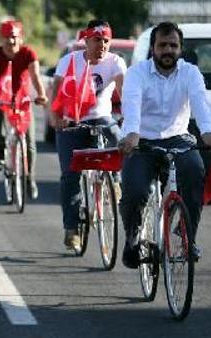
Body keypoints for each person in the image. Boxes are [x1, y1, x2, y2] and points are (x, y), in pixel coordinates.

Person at [118, 21, 211, 268]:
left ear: (181, 49)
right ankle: (133, 237)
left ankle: (187, 234)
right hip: (142, 140)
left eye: (173, 45)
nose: (167, 50)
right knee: (135, 192)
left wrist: (208, 133)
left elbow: (201, 104)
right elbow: (132, 105)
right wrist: (132, 134)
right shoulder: (137, 73)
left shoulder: (191, 73)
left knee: (195, 172)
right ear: (153, 48)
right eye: (162, 45)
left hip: (178, 139)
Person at [50, 20, 126, 253]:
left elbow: (126, 96)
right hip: (73, 122)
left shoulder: (116, 62)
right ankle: (72, 228)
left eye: (106, 41)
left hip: (102, 119)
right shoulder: (69, 61)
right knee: (69, 176)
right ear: (86, 40)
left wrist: (129, 118)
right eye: (97, 40)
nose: (102, 45)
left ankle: (117, 181)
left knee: (123, 143)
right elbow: (56, 96)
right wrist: (58, 119)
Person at [0, 20, 48, 199]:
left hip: (23, 102)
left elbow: (35, 76)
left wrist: (41, 95)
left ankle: (30, 178)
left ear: (20, 37)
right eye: (7, 38)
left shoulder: (28, 53)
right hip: (3, 99)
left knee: (30, 143)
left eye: (14, 37)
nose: (11, 42)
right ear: (1, 38)